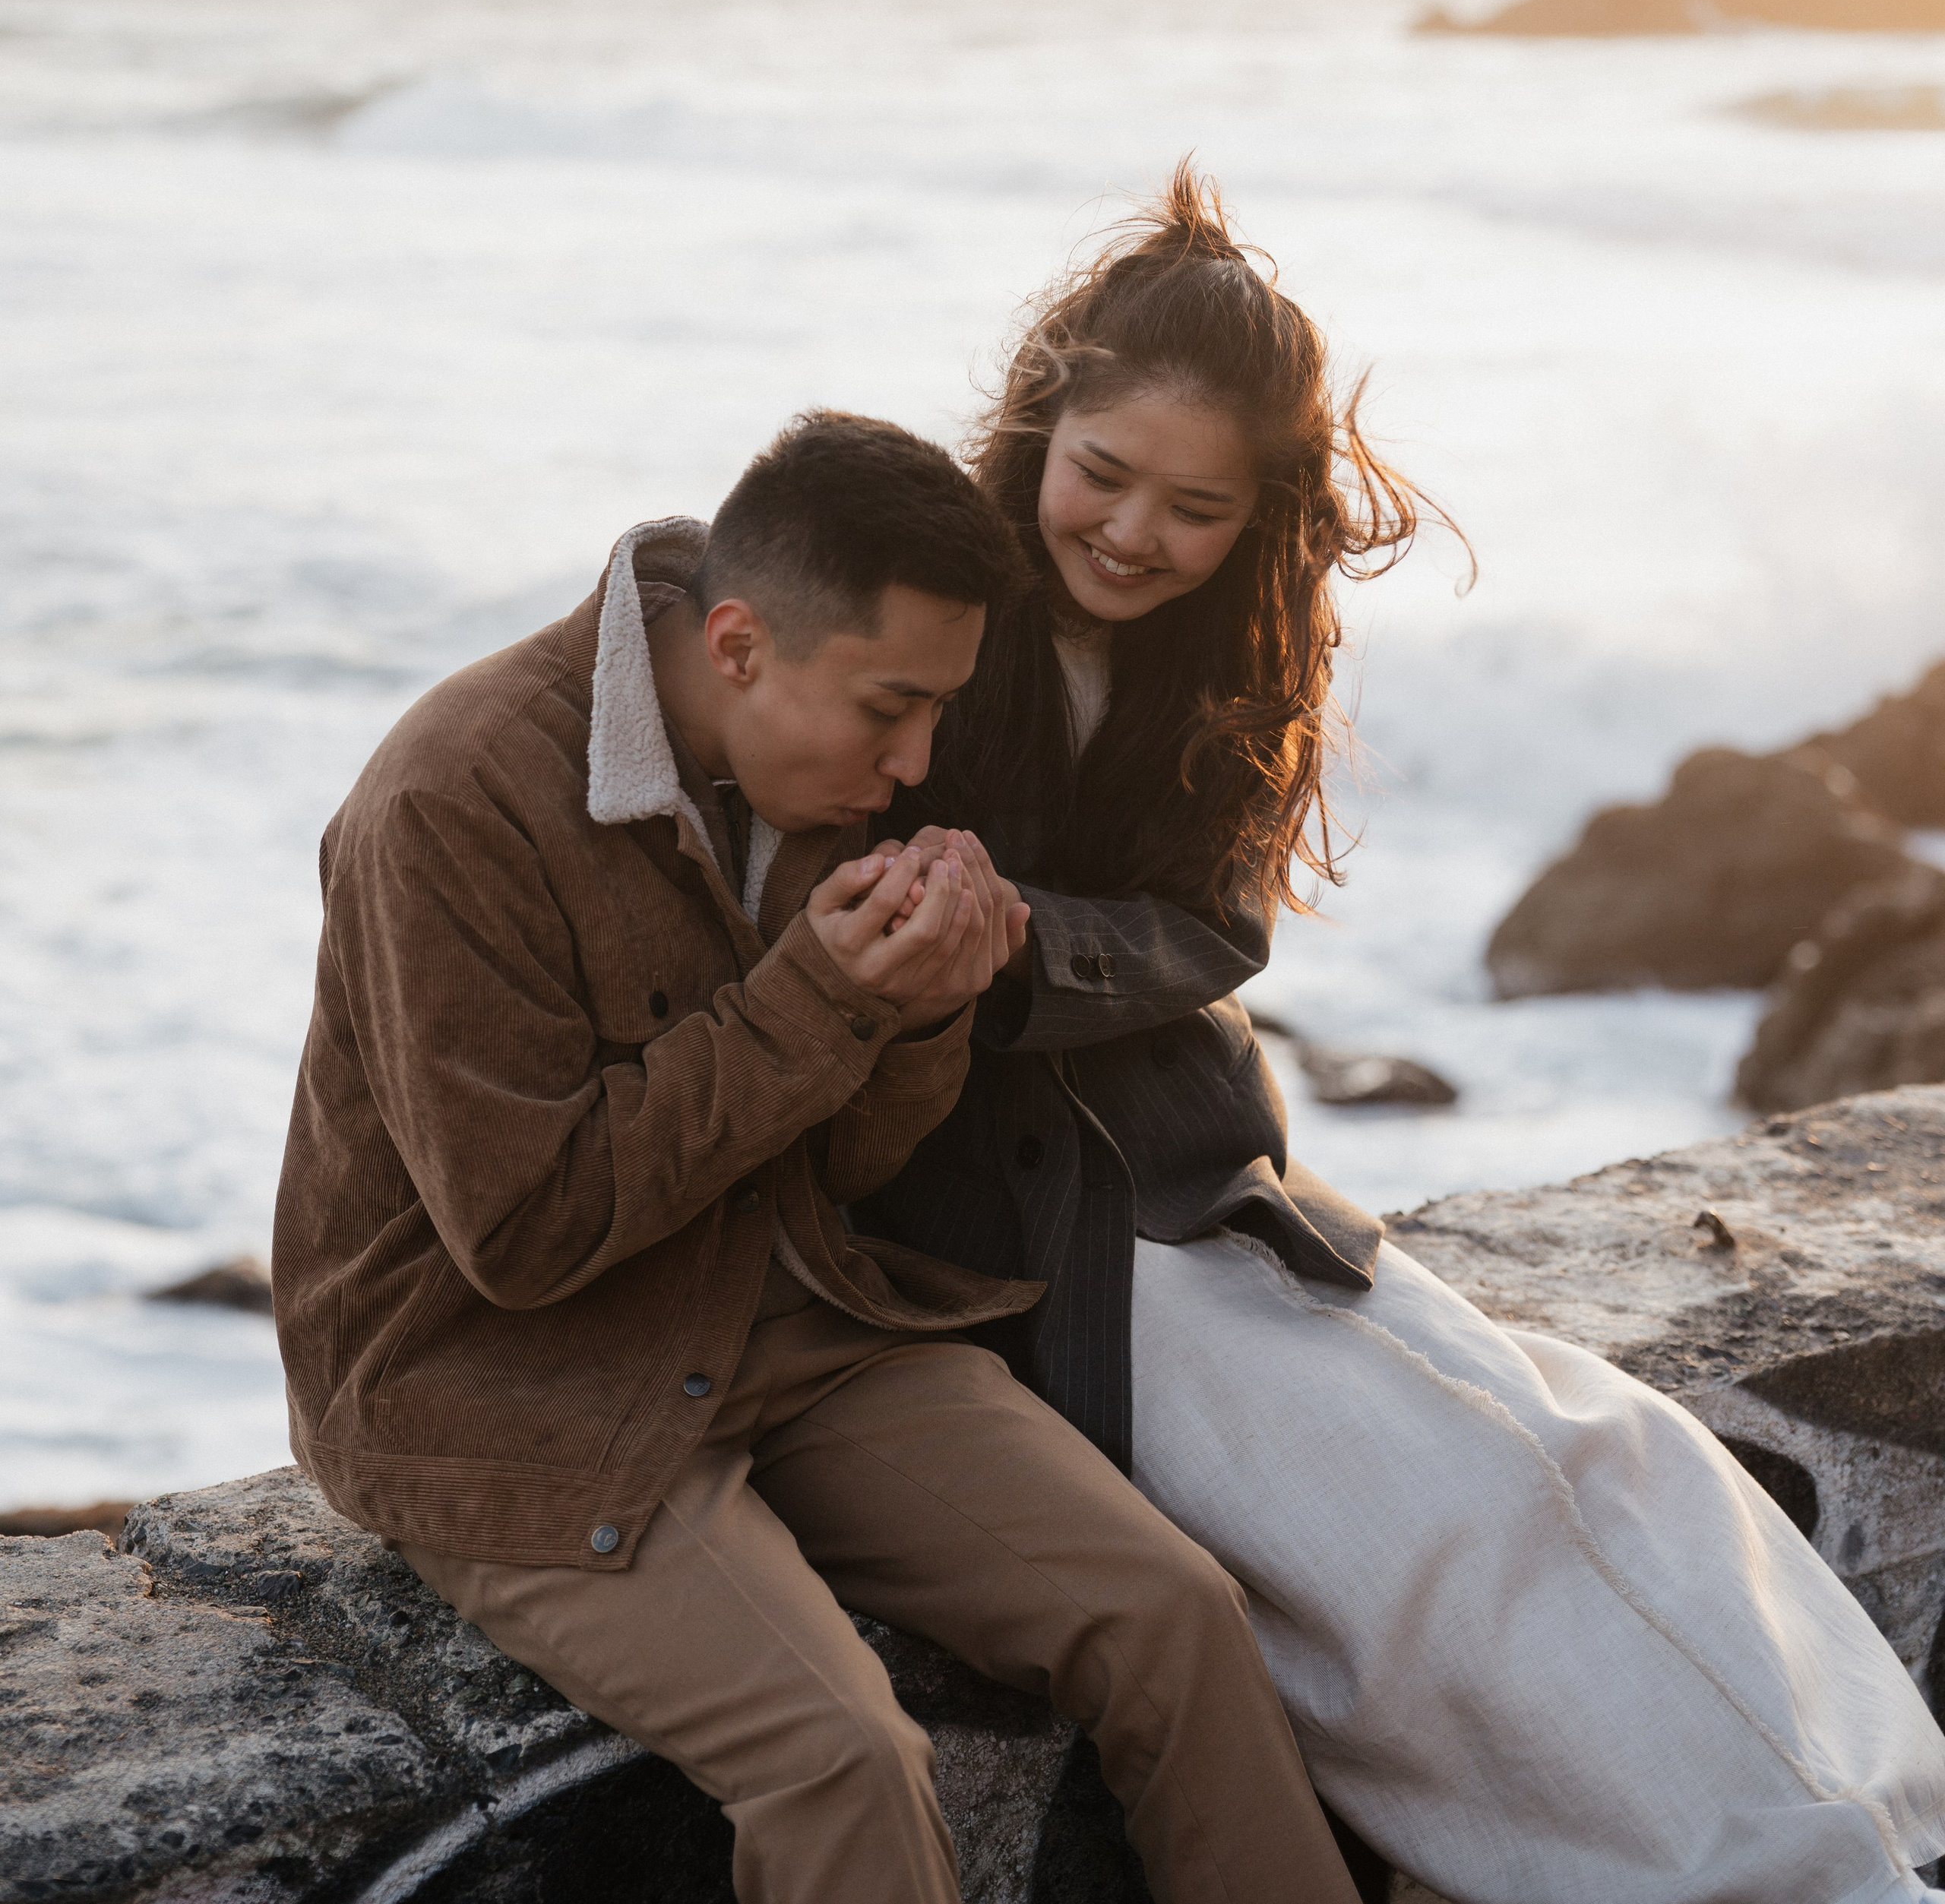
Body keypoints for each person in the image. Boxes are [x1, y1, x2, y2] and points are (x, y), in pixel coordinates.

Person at [862, 169, 1945, 1904]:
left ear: (1263, 511)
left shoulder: (1233, 655)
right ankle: (1740, 1874)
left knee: (1604, 1458)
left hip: (1206, 1182)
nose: (1134, 531)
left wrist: (1012, 942)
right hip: (1018, 1245)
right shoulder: (925, 600)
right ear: (1034, 415)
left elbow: (1215, 926)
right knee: (1416, 1541)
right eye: (1102, 474)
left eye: (1195, 506)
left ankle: (1858, 1829)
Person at [273, 408, 1363, 1904]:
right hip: (501, 1382)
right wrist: (821, 999)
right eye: (890, 708)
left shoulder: (803, 773)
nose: (915, 763)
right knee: (839, 1751)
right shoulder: (448, 801)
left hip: (776, 1318)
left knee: (1172, 1611)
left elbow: (841, 1162)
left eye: (934, 713)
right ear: (736, 646)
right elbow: (520, 1233)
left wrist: (921, 1011)